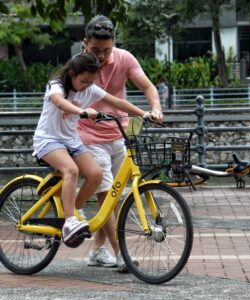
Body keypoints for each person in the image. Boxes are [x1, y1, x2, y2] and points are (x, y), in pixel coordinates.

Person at [32, 52, 149, 247]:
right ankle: (69, 221)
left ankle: (74, 209)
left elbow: (118, 102)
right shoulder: (56, 85)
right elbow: (60, 102)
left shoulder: (90, 89)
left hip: (71, 141)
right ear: (71, 74)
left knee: (96, 174)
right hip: (48, 140)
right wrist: (82, 112)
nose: (86, 86)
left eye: (90, 82)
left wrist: (145, 113)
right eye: (83, 81)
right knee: (71, 170)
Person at [77, 15, 164, 271]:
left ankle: (95, 251)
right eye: (95, 50)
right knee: (107, 195)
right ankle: (120, 254)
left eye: (106, 50)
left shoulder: (125, 58)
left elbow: (148, 86)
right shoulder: (79, 64)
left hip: (119, 134)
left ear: (114, 44)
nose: (102, 56)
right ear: (85, 44)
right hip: (88, 136)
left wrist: (156, 108)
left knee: (113, 199)